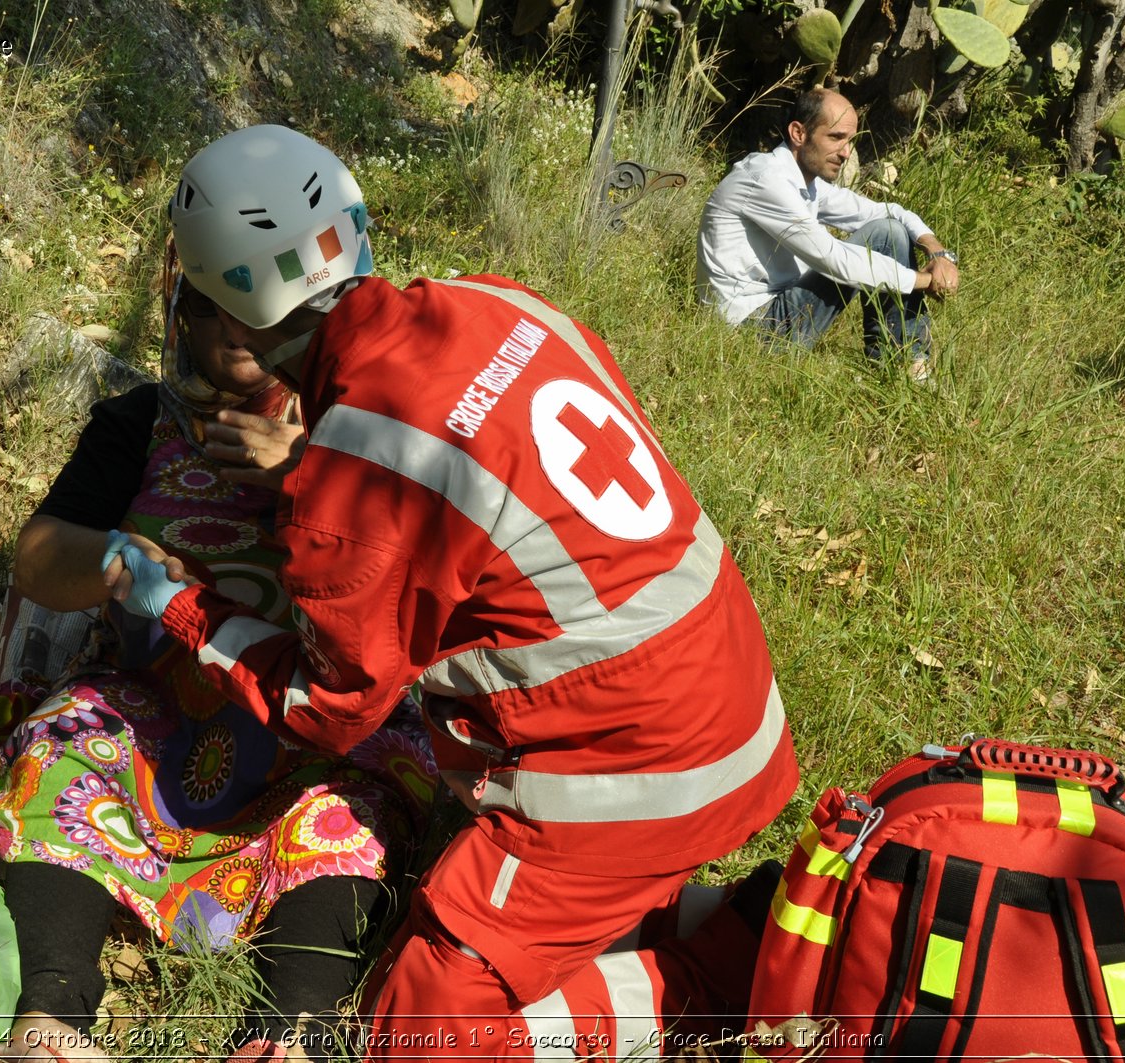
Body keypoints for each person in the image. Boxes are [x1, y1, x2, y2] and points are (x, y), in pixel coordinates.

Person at [112, 124, 799, 1060]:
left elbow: (328, 711)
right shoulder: (496, 304)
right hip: (732, 697)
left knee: (424, 1030)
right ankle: (719, 910)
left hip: (632, 768)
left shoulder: (353, 476)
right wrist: (320, 471)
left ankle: (729, 970)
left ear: (233, 312)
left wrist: (186, 608)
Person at [0, 243, 436, 1063]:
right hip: (152, 714)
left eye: (265, 306)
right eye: (212, 303)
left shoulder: (354, 421)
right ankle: (51, 1020)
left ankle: (287, 1037)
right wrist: (111, 561)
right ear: (180, 310)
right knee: (60, 746)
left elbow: (419, 557)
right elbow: (38, 555)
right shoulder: (139, 422)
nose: (239, 326)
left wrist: (309, 475)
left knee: (357, 810)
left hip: (306, 719)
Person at [696, 87, 961, 383]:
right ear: (798, 133)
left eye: (850, 140)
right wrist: (924, 281)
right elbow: (834, 260)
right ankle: (908, 364)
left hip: (782, 307)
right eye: (835, 138)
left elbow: (889, 211)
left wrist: (936, 252)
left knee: (889, 228)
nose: (846, 152)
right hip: (751, 330)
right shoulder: (765, 180)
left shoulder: (805, 182)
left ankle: (902, 361)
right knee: (879, 239)